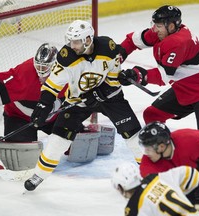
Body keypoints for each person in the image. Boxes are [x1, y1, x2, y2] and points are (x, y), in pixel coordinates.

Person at [24, 19, 142, 191]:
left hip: (111, 98)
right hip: (78, 101)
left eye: (77, 41)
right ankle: (38, 175)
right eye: (71, 41)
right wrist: (43, 105)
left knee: (133, 135)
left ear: (88, 40)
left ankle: (150, 172)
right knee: (58, 140)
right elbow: (52, 86)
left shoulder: (108, 48)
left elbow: (113, 80)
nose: (73, 45)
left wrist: (99, 93)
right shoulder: (66, 57)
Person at [118, 5, 199, 136]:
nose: (155, 29)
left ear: (171, 26)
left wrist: (137, 74)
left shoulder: (179, 42)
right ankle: (164, 150)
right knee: (152, 115)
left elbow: (164, 76)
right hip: (184, 87)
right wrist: (118, 57)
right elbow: (133, 40)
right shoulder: (163, 32)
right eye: (155, 24)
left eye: (158, 26)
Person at [138, 121, 199, 215]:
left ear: (161, 146)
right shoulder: (147, 165)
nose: (146, 154)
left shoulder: (192, 139)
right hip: (184, 194)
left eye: (148, 149)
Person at [111, 162, 199, 216]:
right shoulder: (155, 178)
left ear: (120, 187)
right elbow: (191, 174)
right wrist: (197, 201)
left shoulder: (132, 209)